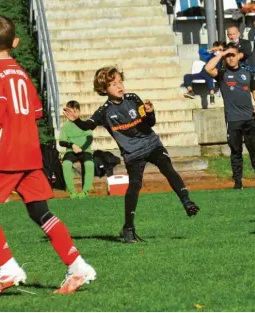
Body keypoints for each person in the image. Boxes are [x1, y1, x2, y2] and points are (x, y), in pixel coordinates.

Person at [0, 15, 96, 297]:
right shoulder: (23, 74)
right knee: (39, 211)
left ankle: (8, 268)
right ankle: (77, 266)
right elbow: (37, 112)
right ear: (15, 43)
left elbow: (0, 107)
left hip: (7, 153)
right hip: (30, 152)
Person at [63, 66, 200, 243]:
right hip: (133, 153)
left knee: (167, 167)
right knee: (135, 185)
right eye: (113, 84)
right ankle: (128, 228)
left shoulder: (133, 98)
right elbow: (87, 126)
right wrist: (76, 121)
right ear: (104, 89)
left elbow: (150, 123)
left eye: (120, 82)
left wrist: (150, 113)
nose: (119, 86)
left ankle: (187, 201)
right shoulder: (104, 111)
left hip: (151, 144)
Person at [204, 43, 255, 189]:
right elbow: (208, 68)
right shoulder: (222, 74)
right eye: (227, 56)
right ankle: (238, 182)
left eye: (232, 55)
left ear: (238, 56)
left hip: (250, 118)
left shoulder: (247, 73)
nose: (230, 59)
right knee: (236, 152)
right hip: (233, 120)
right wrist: (221, 54)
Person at [59, 100, 95, 199]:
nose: (73, 114)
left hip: (85, 150)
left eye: (76, 111)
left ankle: (85, 192)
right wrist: (72, 145)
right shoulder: (65, 127)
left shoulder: (84, 124)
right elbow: (61, 142)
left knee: (89, 164)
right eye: (70, 111)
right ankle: (72, 192)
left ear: (79, 111)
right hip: (71, 151)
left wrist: (81, 148)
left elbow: (89, 139)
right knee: (66, 164)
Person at [183, 41, 225, 106]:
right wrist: (210, 50)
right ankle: (191, 91)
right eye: (217, 49)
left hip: (212, 74)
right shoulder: (210, 55)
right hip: (202, 73)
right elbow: (200, 51)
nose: (218, 51)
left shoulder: (222, 58)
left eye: (220, 50)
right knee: (187, 76)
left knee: (209, 76)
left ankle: (212, 94)